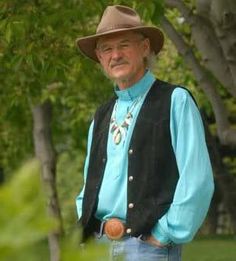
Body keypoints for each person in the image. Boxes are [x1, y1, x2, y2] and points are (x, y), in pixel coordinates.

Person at [75, 5, 214, 261]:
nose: (115, 55)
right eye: (107, 49)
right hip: (96, 246)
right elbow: (88, 182)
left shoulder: (175, 101)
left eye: (124, 44)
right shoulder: (101, 115)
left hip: (148, 248)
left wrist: (164, 234)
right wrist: (84, 220)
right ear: (100, 57)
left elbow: (197, 179)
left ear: (145, 47)